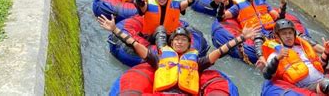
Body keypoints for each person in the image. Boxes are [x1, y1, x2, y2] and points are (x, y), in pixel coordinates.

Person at [98, 15, 260, 95]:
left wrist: (241, 38)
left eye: (183, 40)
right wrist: (115, 30)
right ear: (171, 43)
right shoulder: (159, 58)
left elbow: (220, 51)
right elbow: (134, 44)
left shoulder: (198, 62)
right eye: (177, 40)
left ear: (189, 44)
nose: (180, 42)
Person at [216, 0, 286, 37]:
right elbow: (222, 17)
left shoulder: (263, 3)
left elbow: (279, 17)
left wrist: (283, 2)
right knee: (259, 38)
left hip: (271, 29)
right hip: (255, 33)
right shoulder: (237, 6)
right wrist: (222, 3)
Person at [133, 0, 203, 37]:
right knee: (161, 30)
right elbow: (140, 3)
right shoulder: (147, 5)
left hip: (169, 36)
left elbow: (189, 1)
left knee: (185, 32)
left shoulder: (175, 5)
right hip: (151, 37)